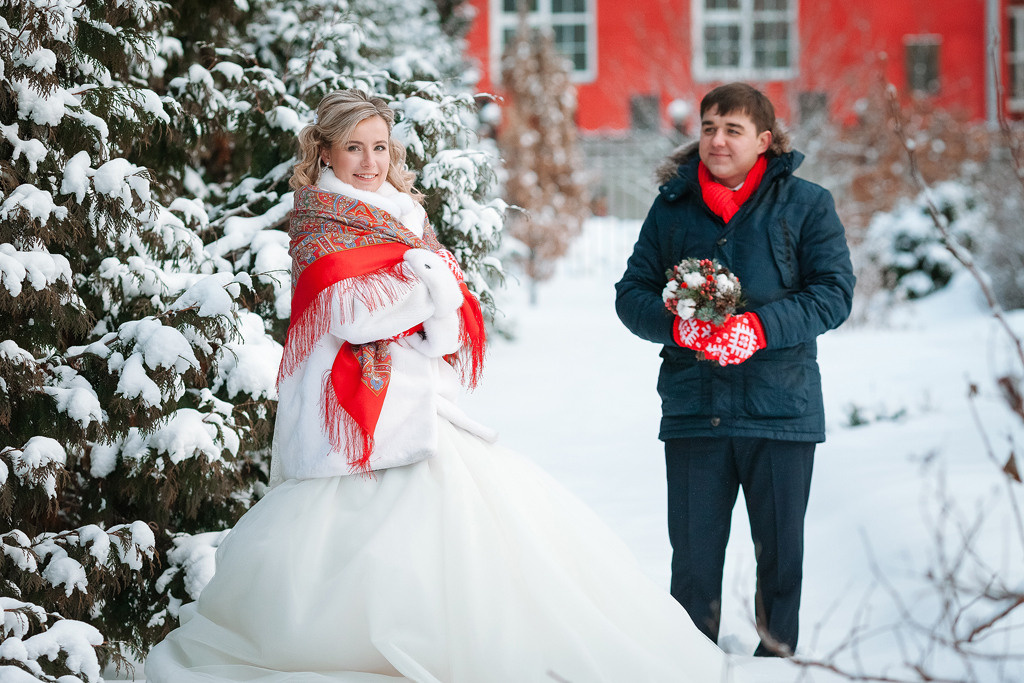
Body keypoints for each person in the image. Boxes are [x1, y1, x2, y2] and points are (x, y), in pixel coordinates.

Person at [144, 89, 778, 682]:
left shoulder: (403, 218)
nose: (370, 161)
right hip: (354, 408)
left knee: (487, 525)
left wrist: (433, 295)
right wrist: (433, 284)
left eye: (380, 147)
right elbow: (352, 316)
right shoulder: (321, 219)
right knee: (351, 535)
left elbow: (442, 333)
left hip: (418, 396)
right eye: (354, 148)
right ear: (326, 154)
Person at [615, 82, 855, 657]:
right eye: (708, 128)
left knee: (780, 558)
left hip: (780, 409)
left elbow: (834, 293)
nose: (717, 140)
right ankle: (691, 660)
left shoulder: (807, 204)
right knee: (694, 560)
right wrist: (678, 325)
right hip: (696, 409)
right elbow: (631, 294)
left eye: (732, 130)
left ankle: (777, 662)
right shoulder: (672, 207)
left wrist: (760, 328)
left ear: (764, 140)